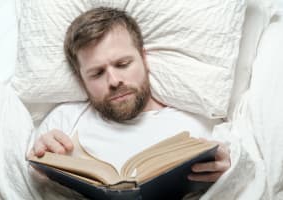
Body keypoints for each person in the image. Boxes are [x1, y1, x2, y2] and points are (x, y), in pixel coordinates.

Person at [29, 7, 230, 185]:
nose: (114, 80)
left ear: (143, 58)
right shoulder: (63, 123)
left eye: (123, 64)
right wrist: (39, 168)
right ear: (81, 80)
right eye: (97, 73)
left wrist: (230, 167)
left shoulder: (199, 121)